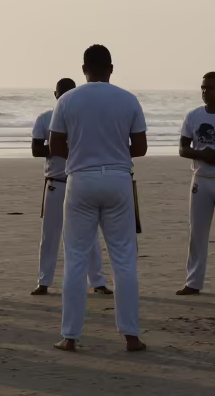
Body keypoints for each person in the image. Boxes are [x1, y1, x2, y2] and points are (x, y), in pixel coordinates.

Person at [49, 45, 147, 352]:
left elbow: (55, 143)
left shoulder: (68, 99)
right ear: (111, 68)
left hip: (81, 178)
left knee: (76, 258)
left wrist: (82, 153)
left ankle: (70, 335)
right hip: (118, 178)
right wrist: (114, 153)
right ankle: (131, 335)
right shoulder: (127, 98)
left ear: (83, 69)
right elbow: (140, 147)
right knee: (124, 259)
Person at [30, 77, 110, 296]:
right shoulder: (45, 118)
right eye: (61, 92)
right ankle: (44, 281)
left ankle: (97, 281)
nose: (64, 96)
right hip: (55, 183)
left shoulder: (83, 119)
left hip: (80, 180)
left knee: (89, 233)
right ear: (55, 95)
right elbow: (36, 150)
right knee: (50, 234)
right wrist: (58, 147)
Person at [176, 71, 215, 296]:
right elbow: (183, 148)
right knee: (197, 232)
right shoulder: (193, 116)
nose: (205, 91)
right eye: (203, 87)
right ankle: (193, 281)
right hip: (201, 181)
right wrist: (201, 153)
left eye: (210, 87)